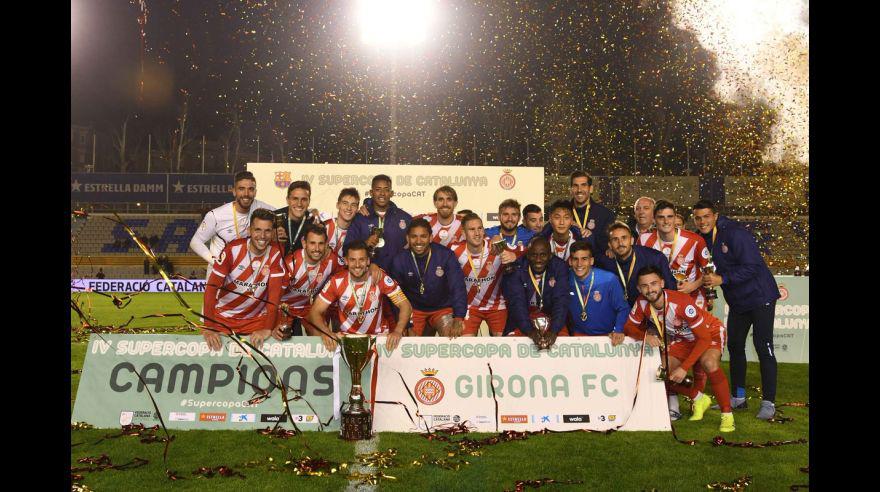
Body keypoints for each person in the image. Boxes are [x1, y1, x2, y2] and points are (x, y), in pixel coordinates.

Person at [693, 199, 780, 420]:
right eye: (698, 218)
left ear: (715, 215)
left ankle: (769, 402)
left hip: (760, 297)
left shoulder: (735, 233)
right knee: (734, 345)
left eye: (706, 216)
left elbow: (753, 266)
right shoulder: (702, 237)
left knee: (763, 346)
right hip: (738, 301)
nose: (702, 221)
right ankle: (738, 398)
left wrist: (723, 278)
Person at [624, 265, 735, 432]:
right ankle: (698, 397)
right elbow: (629, 327)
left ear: (662, 283)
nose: (650, 289)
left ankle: (727, 415)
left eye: (653, 284)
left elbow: (703, 338)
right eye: (645, 286)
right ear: (639, 288)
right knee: (660, 373)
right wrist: (646, 337)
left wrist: (684, 368)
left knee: (709, 363)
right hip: (683, 338)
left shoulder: (680, 302)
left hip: (708, 332)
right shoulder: (641, 303)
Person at [202, 208, 285, 351]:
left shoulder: (276, 253)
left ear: (273, 233)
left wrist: (267, 328)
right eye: (257, 230)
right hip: (223, 319)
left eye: (267, 231)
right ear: (249, 230)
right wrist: (208, 327)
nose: (262, 236)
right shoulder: (232, 250)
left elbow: (274, 297)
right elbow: (211, 288)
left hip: (256, 321)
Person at [309, 240, 413, 352]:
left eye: (361, 260)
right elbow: (315, 311)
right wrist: (326, 332)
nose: (357, 265)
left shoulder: (379, 277)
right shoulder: (336, 281)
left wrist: (397, 331)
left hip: (377, 338)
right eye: (353, 260)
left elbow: (405, 305)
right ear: (346, 261)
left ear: (368, 260)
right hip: (348, 338)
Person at [387, 218, 467, 338]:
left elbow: (458, 287)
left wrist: (459, 317)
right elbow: (395, 296)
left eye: (423, 236)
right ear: (408, 238)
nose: (418, 241)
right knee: (409, 343)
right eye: (414, 237)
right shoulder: (399, 260)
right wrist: (406, 325)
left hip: (442, 308)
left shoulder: (445, 255)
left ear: (430, 237)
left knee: (453, 336)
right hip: (413, 310)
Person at [190, 171, 275, 275]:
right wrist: (216, 262)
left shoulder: (268, 211)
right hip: (220, 276)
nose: (246, 194)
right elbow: (196, 242)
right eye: (241, 189)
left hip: (249, 276)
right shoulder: (216, 215)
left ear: (255, 192)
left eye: (251, 189)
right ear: (234, 191)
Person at [450, 213, 520, 337]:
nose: (477, 233)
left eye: (480, 228)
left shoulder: (497, 245)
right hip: (470, 307)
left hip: (497, 306)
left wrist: (514, 256)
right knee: (465, 345)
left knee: (505, 344)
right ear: (464, 233)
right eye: (472, 229)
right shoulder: (455, 250)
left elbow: (525, 252)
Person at [277, 224, 346, 339]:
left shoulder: (332, 260)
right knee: (283, 337)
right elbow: (274, 296)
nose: (317, 249)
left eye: (321, 244)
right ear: (304, 243)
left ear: (326, 245)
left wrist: (373, 267)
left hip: (307, 307)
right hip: (284, 307)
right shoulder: (291, 263)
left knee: (322, 338)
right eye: (312, 243)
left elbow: (349, 273)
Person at [640, 200, 710, 308]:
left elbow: (708, 270)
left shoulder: (695, 240)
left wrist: (692, 286)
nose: (666, 221)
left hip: (692, 299)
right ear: (653, 219)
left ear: (675, 217)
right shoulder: (644, 240)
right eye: (661, 217)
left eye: (670, 217)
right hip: (660, 303)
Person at [501, 236, 569, 347]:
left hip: (551, 318)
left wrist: (554, 330)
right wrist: (530, 331)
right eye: (534, 255)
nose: (538, 260)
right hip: (525, 319)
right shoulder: (517, 267)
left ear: (550, 255)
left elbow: (561, 301)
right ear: (528, 255)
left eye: (543, 255)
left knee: (564, 344)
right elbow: (517, 304)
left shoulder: (559, 267)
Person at [594, 221, 677, 306]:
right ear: (610, 245)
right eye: (615, 239)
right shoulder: (605, 262)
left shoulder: (654, 258)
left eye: (624, 238)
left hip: (650, 311)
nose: (620, 243)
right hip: (621, 311)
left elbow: (671, 290)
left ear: (632, 240)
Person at [343, 175, 413, 270]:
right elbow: (346, 250)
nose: (382, 193)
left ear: (391, 193)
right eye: (378, 189)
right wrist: (364, 244)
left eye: (386, 190)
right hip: (367, 275)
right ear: (371, 192)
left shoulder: (405, 218)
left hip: (397, 276)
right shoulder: (360, 218)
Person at [564, 241, 628, 343]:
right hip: (577, 336)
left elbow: (623, 308)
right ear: (570, 261)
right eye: (575, 259)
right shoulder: (564, 279)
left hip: (607, 336)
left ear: (591, 261)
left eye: (584, 259)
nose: (579, 264)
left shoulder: (609, 279)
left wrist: (618, 330)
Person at [541, 171, 616, 255]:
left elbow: (608, 244)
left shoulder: (605, 214)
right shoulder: (563, 211)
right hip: (567, 261)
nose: (579, 190)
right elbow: (547, 229)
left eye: (583, 185)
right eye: (575, 186)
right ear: (571, 189)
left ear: (591, 189)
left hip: (595, 263)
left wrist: (591, 236)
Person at [274, 180, 322, 257]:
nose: (299, 204)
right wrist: (270, 236)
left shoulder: (314, 222)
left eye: (304, 199)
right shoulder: (274, 217)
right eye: (295, 199)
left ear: (309, 201)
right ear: (288, 200)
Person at [324, 187, 360, 259]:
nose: (349, 208)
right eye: (345, 203)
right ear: (337, 205)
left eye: (353, 205)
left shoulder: (358, 231)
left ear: (357, 209)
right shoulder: (324, 226)